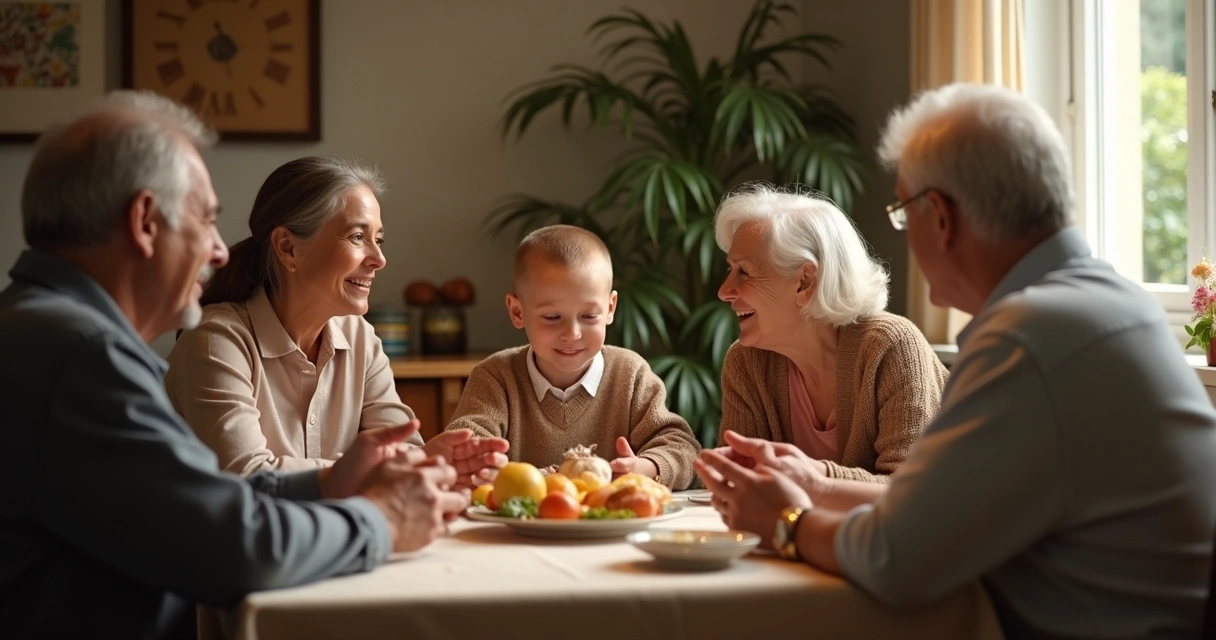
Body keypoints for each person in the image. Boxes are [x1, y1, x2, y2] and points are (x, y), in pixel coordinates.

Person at [697, 83, 1216, 639]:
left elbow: (896, 559)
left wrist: (786, 523)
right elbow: (927, 505)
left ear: (939, 216)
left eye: (901, 212)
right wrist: (817, 486)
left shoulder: (1030, 337)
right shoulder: (1105, 303)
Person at [0, 91, 468, 639]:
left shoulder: (44, 330)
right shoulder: (80, 354)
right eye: (205, 220)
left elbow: (196, 500)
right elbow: (233, 546)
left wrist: (329, 482)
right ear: (145, 221)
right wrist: (383, 521)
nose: (221, 251)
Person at [165, 157, 508, 486]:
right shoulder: (215, 340)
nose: (379, 259)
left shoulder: (360, 338)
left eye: (379, 240)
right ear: (288, 248)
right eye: (358, 237)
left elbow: (404, 451)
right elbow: (248, 476)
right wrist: (378, 470)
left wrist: (427, 461)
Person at [714, 183, 946, 483]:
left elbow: (911, 492)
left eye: (743, 271)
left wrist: (814, 475)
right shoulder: (747, 363)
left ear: (804, 282)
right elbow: (741, 482)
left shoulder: (891, 346)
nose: (724, 291)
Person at [444, 225, 701, 489]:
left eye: (589, 316)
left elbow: (682, 448)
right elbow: (464, 445)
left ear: (610, 308)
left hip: (611, 528)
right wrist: (481, 463)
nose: (572, 333)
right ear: (518, 312)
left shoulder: (630, 373)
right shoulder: (496, 375)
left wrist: (643, 469)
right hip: (522, 528)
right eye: (552, 317)